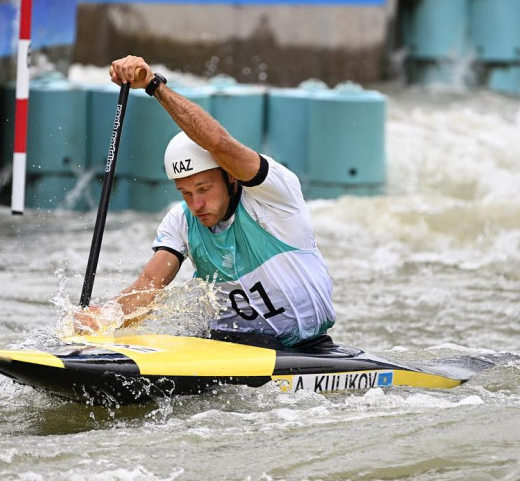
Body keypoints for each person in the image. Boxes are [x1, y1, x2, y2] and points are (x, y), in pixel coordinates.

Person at [72, 55, 335, 348]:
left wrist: (153, 85)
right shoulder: (181, 220)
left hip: (305, 347)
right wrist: (103, 318)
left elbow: (218, 144)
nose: (195, 205)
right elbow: (149, 286)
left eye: (203, 188)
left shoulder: (273, 194)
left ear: (230, 177)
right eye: (185, 193)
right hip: (227, 345)